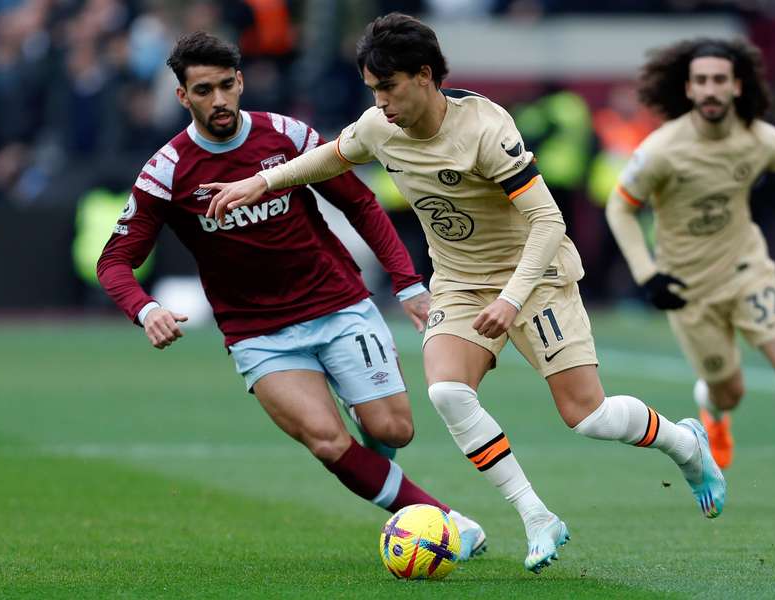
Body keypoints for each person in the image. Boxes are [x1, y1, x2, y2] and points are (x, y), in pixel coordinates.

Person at [202, 14, 726, 574]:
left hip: (536, 276)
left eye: (388, 88)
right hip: (459, 281)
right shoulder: (381, 126)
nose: (380, 103)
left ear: (424, 75)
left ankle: (685, 444)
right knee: (449, 392)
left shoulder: (486, 130)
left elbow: (548, 222)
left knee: (587, 416)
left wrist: (512, 298)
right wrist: (261, 181)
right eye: (373, 91)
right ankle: (536, 517)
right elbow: (334, 154)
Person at [95, 31, 488, 557]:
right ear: (182, 97)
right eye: (204, 90)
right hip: (258, 334)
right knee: (328, 442)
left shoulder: (287, 137)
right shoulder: (166, 173)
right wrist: (144, 310)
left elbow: (362, 205)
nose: (219, 101)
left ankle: (372, 455)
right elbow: (114, 261)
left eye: (226, 86)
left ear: (241, 82)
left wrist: (407, 281)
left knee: (393, 429)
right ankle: (444, 523)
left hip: (338, 305)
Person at [605, 38, 775, 512]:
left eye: (719, 80)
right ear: (688, 87)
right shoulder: (662, 149)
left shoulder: (757, 137)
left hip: (749, 271)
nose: (710, 89)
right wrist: (648, 275)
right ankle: (715, 413)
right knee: (731, 390)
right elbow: (619, 207)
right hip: (689, 289)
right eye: (701, 80)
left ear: (737, 85)